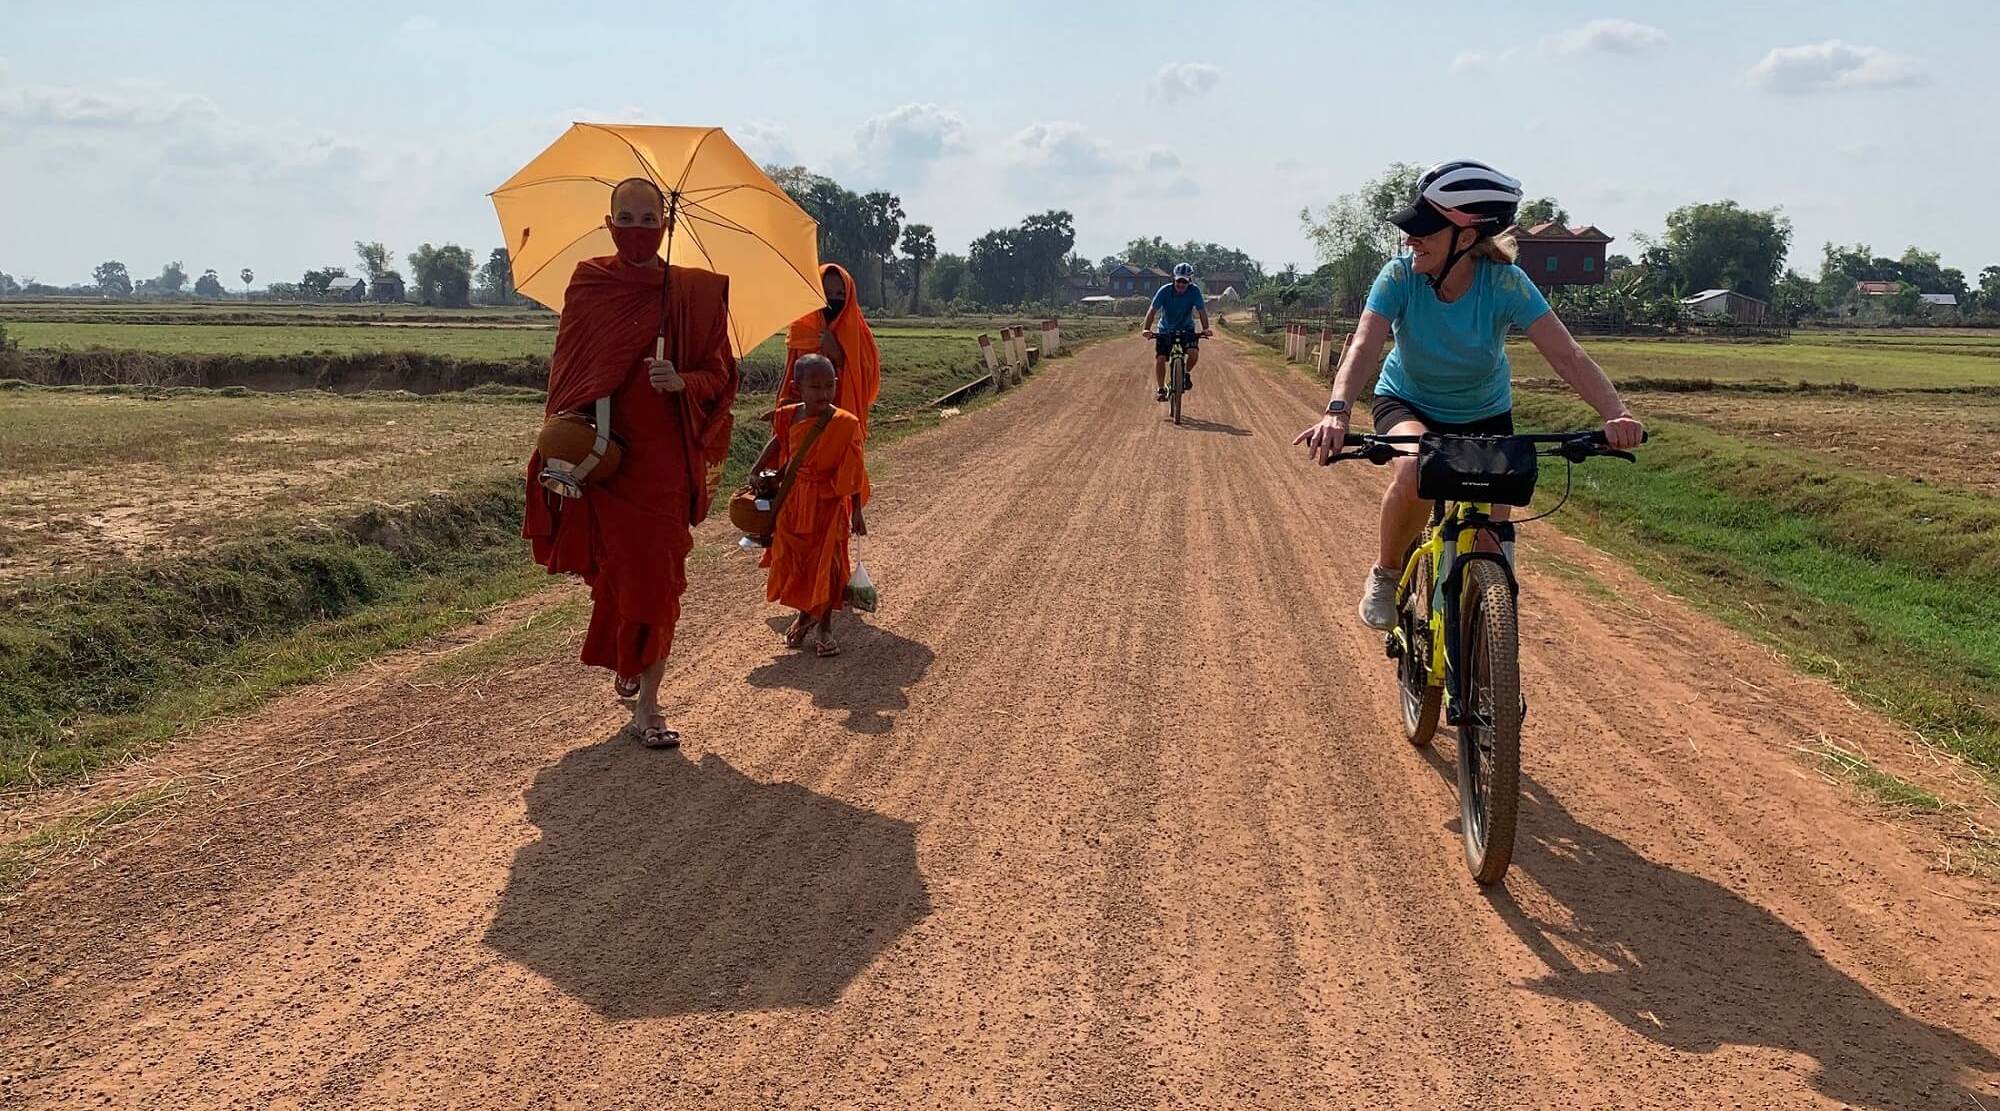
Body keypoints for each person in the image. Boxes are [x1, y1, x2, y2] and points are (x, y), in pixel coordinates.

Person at [1293, 159, 1645, 630]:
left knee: (1492, 543)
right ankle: (1387, 572)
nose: (1410, 240)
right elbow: (1364, 343)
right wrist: (1337, 412)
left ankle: (1484, 655)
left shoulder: (1505, 283)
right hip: (1407, 401)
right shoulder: (1399, 276)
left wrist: (1616, 413)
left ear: (1466, 237)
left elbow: (1568, 356)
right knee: (1418, 467)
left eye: (1425, 230)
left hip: (1484, 412)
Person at [523, 177, 740, 748]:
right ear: (609, 221)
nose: (638, 230)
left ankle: (649, 704)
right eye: (628, 217)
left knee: (660, 578)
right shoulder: (591, 282)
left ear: (665, 226)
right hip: (607, 461)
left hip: (665, 467)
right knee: (618, 573)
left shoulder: (693, 293)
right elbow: (569, 371)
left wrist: (681, 380)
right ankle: (628, 654)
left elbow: (721, 377)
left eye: (650, 219)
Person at [752, 355, 868, 658]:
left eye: (829, 386)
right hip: (793, 502)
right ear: (797, 387)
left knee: (828, 566)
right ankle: (805, 614)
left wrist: (856, 510)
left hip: (828, 501)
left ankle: (824, 627)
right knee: (796, 564)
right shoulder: (788, 415)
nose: (823, 393)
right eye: (815, 386)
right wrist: (756, 469)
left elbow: (853, 468)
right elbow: (778, 442)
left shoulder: (845, 423)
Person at [776, 264, 880, 503]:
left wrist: (840, 356)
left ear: (850, 296)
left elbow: (868, 384)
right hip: (801, 423)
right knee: (795, 493)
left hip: (839, 425)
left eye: (840, 295)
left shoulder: (858, 336)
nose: (833, 300)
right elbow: (789, 375)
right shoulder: (802, 328)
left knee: (835, 498)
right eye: (827, 294)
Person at [1141, 262, 1213, 402]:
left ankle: (1185, 373)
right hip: (1165, 329)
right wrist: (1146, 329)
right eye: (1178, 280)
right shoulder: (1164, 291)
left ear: (1189, 281)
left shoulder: (1195, 291)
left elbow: (1201, 311)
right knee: (1161, 358)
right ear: (1174, 279)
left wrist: (1205, 328)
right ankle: (1161, 388)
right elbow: (1152, 310)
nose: (1181, 284)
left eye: (1184, 281)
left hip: (1187, 328)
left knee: (1193, 353)